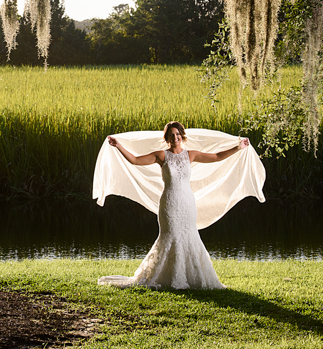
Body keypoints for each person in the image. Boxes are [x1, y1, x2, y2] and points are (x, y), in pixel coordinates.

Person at [97, 121, 251, 290]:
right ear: (167, 138)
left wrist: (238, 148)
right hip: (169, 204)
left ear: (182, 136)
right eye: (171, 135)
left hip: (187, 203)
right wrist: (118, 146)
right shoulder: (161, 155)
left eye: (177, 134)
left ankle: (192, 277)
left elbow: (215, 157)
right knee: (170, 236)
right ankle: (167, 276)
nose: (175, 137)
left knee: (189, 236)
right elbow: (134, 160)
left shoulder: (190, 155)